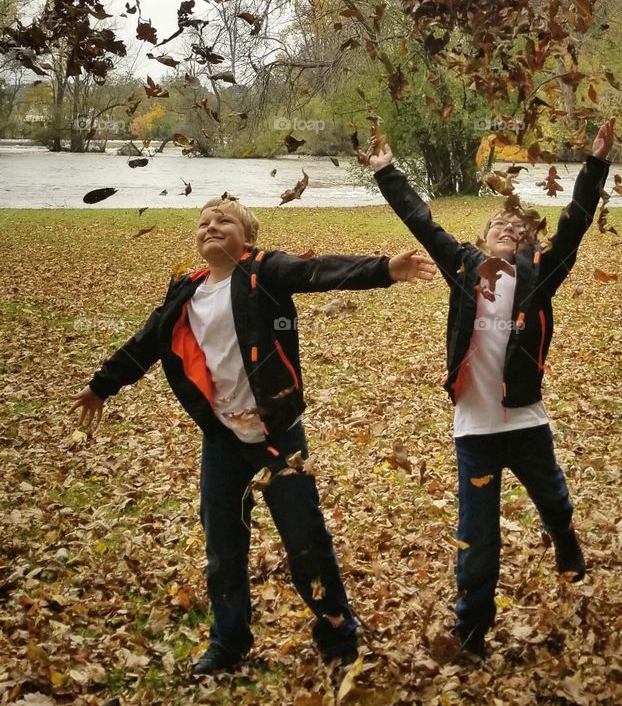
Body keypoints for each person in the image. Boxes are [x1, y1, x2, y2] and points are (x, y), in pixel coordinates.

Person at [71, 195, 434, 676]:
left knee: (305, 541)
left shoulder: (264, 272)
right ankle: (229, 641)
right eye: (203, 222)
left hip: (278, 437)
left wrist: (384, 269)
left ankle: (338, 633)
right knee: (223, 547)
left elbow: (319, 271)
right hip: (222, 439)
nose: (210, 226)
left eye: (223, 220)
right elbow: (146, 343)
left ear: (248, 237)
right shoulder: (186, 290)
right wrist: (102, 385)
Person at [356, 119, 615, 658]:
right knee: (477, 537)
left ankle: (566, 542)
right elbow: (422, 222)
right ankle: (471, 633)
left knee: (553, 500)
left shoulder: (540, 274)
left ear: (531, 244)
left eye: (521, 231)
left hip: (526, 421)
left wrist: (595, 165)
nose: (510, 232)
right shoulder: (464, 266)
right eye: (501, 226)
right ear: (484, 236)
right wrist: (386, 172)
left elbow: (574, 225)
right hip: (474, 428)